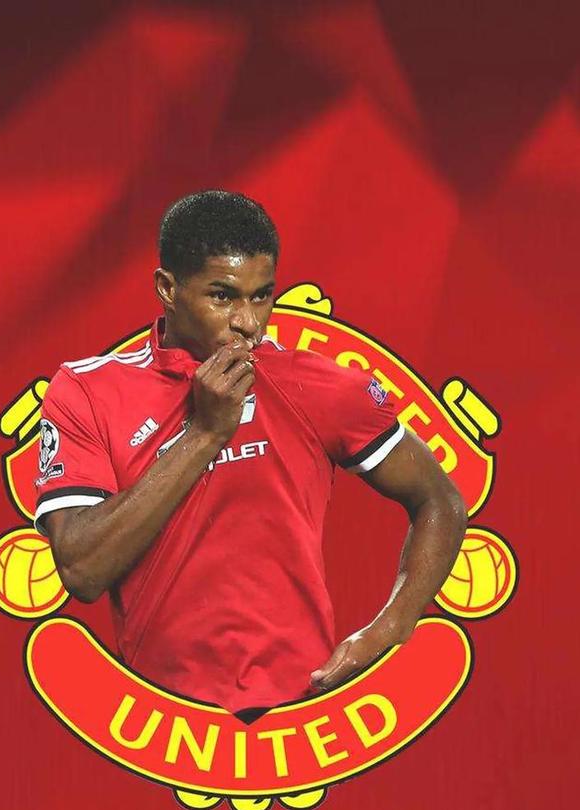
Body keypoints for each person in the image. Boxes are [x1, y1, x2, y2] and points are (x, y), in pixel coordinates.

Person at [35, 190, 467, 718]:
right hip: (161, 723)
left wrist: (390, 628)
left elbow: (441, 500)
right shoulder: (89, 393)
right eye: (223, 296)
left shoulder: (312, 385)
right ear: (167, 288)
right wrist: (205, 434)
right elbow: (82, 570)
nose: (248, 322)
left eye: (262, 296)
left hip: (299, 715)